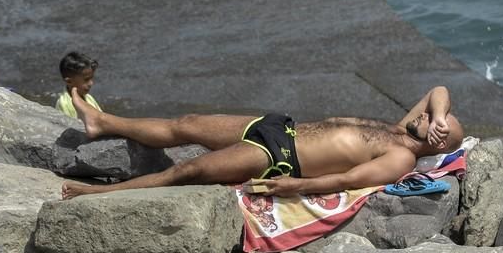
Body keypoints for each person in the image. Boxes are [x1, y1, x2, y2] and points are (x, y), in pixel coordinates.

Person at [62, 85, 463, 199]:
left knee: (188, 171)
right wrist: (441, 117)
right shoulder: (402, 127)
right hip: (279, 127)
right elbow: (438, 89)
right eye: (428, 116)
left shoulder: (400, 157)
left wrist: (297, 187)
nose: (425, 116)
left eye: (433, 123)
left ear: (435, 142)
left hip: (278, 155)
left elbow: (350, 180)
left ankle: (92, 195)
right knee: (187, 122)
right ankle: (101, 122)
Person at [55, 51, 102, 118]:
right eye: (86, 79)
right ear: (69, 81)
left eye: (91, 78)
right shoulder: (64, 104)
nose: (91, 83)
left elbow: (101, 116)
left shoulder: (88, 98)